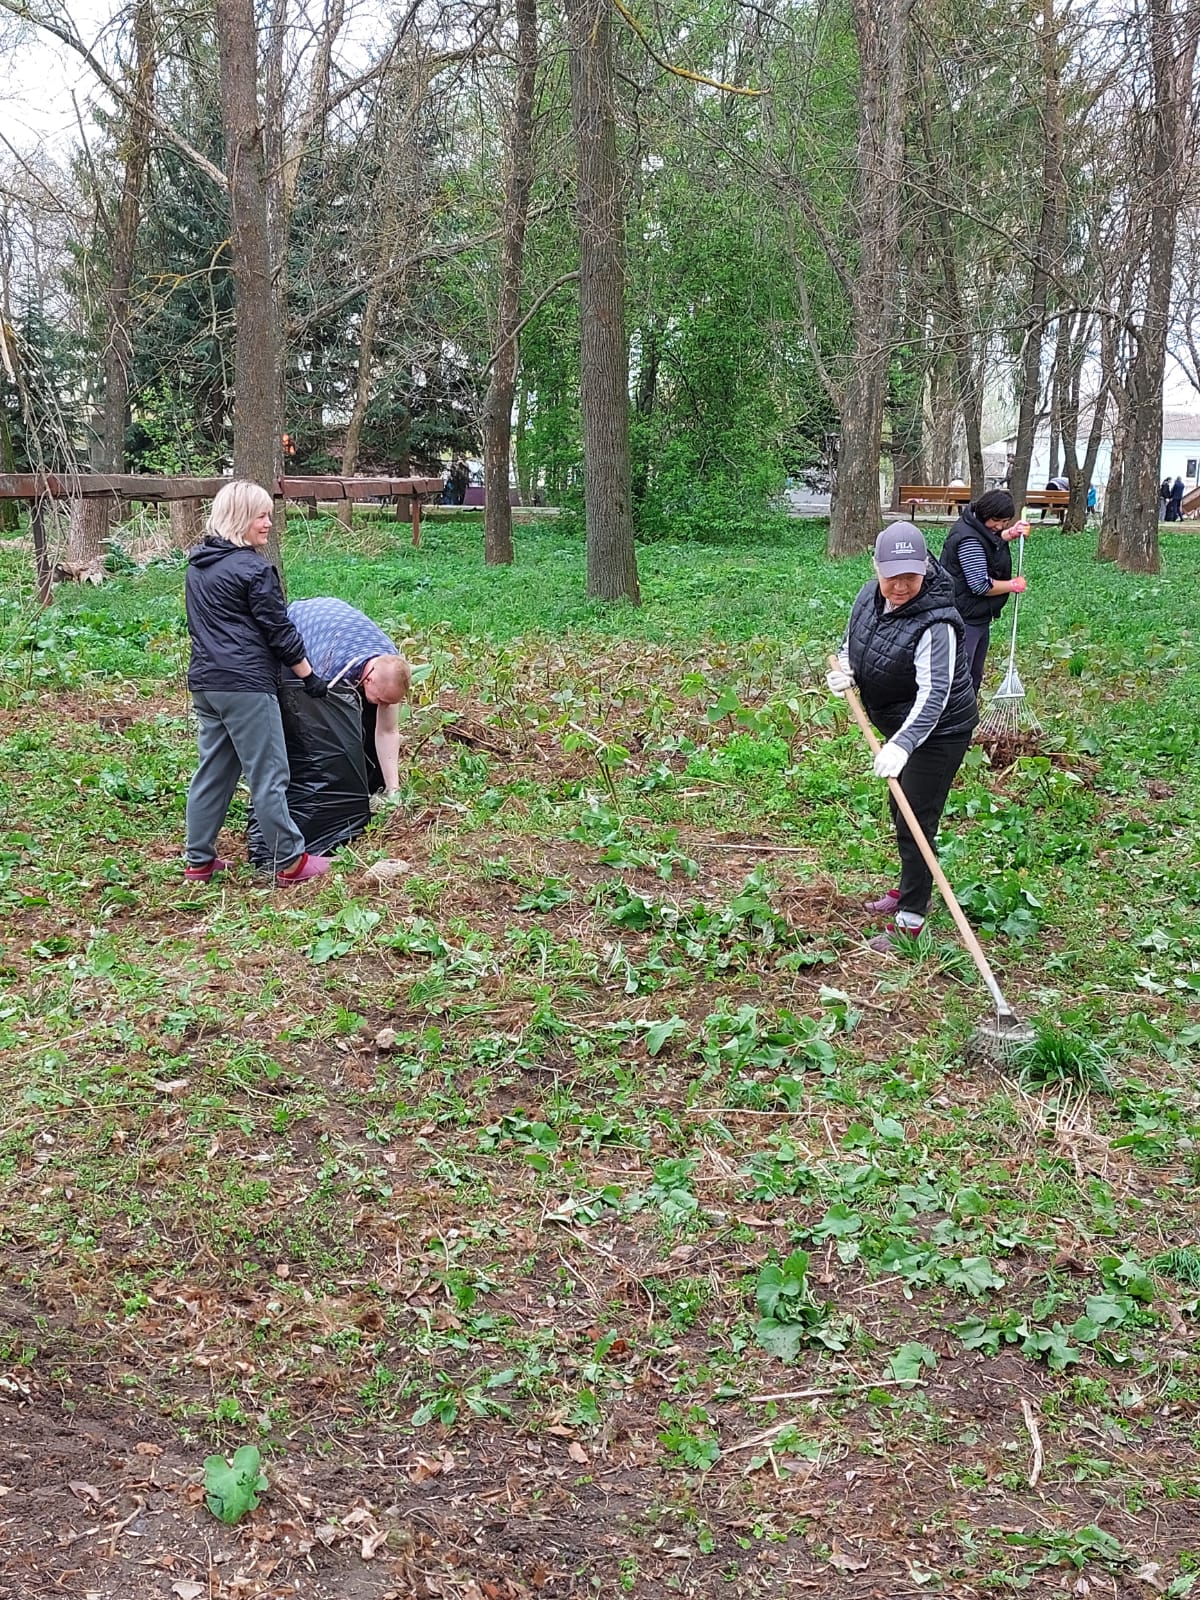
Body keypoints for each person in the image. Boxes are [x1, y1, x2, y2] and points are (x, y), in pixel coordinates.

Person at [826, 525, 979, 953]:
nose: (900, 586)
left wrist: (902, 744)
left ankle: (911, 917)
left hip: (940, 732)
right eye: (891, 575)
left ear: (926, 569)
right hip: (900, 726)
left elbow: (935, 698)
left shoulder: (939, 622)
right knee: (900, 808)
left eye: (909, 576)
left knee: (916, 818)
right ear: (875, 567)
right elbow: (854, 641)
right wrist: (845, 670)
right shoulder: (869, 596)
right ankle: (908, 886)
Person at [184, 481, 332, 884]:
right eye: (260, 516)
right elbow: (278, 630)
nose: (268, 523)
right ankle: (291, 862)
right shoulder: (254, 568)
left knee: (213, 771)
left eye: (269, 514)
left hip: (206, 683)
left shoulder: (198, 566)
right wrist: (309, 676)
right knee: (270, 775)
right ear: (238, 518)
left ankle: (198, 861)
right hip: (246, 687)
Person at [287, 597, 412, 797]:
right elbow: (325, 733)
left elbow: (387, 731)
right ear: (368, 680)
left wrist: (393, 789)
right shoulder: (330, 668)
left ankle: (375, 786)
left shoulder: (390, 665)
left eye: (390, 701)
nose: (385, 705)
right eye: (382, 700)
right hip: (303, 623)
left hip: (344, 630)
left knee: (369, 717)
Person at [938, 488, 1030, 694]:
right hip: (963, 617)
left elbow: (989, 541)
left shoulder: (978, 527)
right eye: (996, 520)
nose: (999, 526)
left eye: (1004, 522)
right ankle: (952, 718)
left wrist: (1009, 534)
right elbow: (980, 585)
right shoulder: (968, 540)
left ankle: (968, 716)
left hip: (977, 615)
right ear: (984, 513)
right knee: (960, 676)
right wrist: (1013, 585)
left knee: (974, 675)